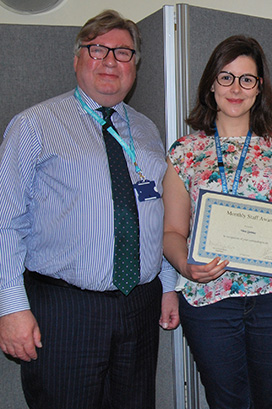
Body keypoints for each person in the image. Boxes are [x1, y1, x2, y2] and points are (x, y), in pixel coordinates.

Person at [0, 10, 178, 408]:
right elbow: (4, 221)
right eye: (98, 49)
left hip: (140, 304)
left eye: (124, 52)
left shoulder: (147, 129)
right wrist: (11, 307)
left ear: (135, 66)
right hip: (65, 310)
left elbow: (157, 214)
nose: (111, 61)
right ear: (78, 58)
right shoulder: (34, 125)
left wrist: (167, 286)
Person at [162, 35, 272, 409]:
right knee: (226, 401)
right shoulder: (185, 151)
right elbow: (172, 232)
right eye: (226, 77)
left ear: (259, 88)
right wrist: (186, 266)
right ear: (211, 83)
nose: (235, 88)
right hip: (212, 300)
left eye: (247, 79)